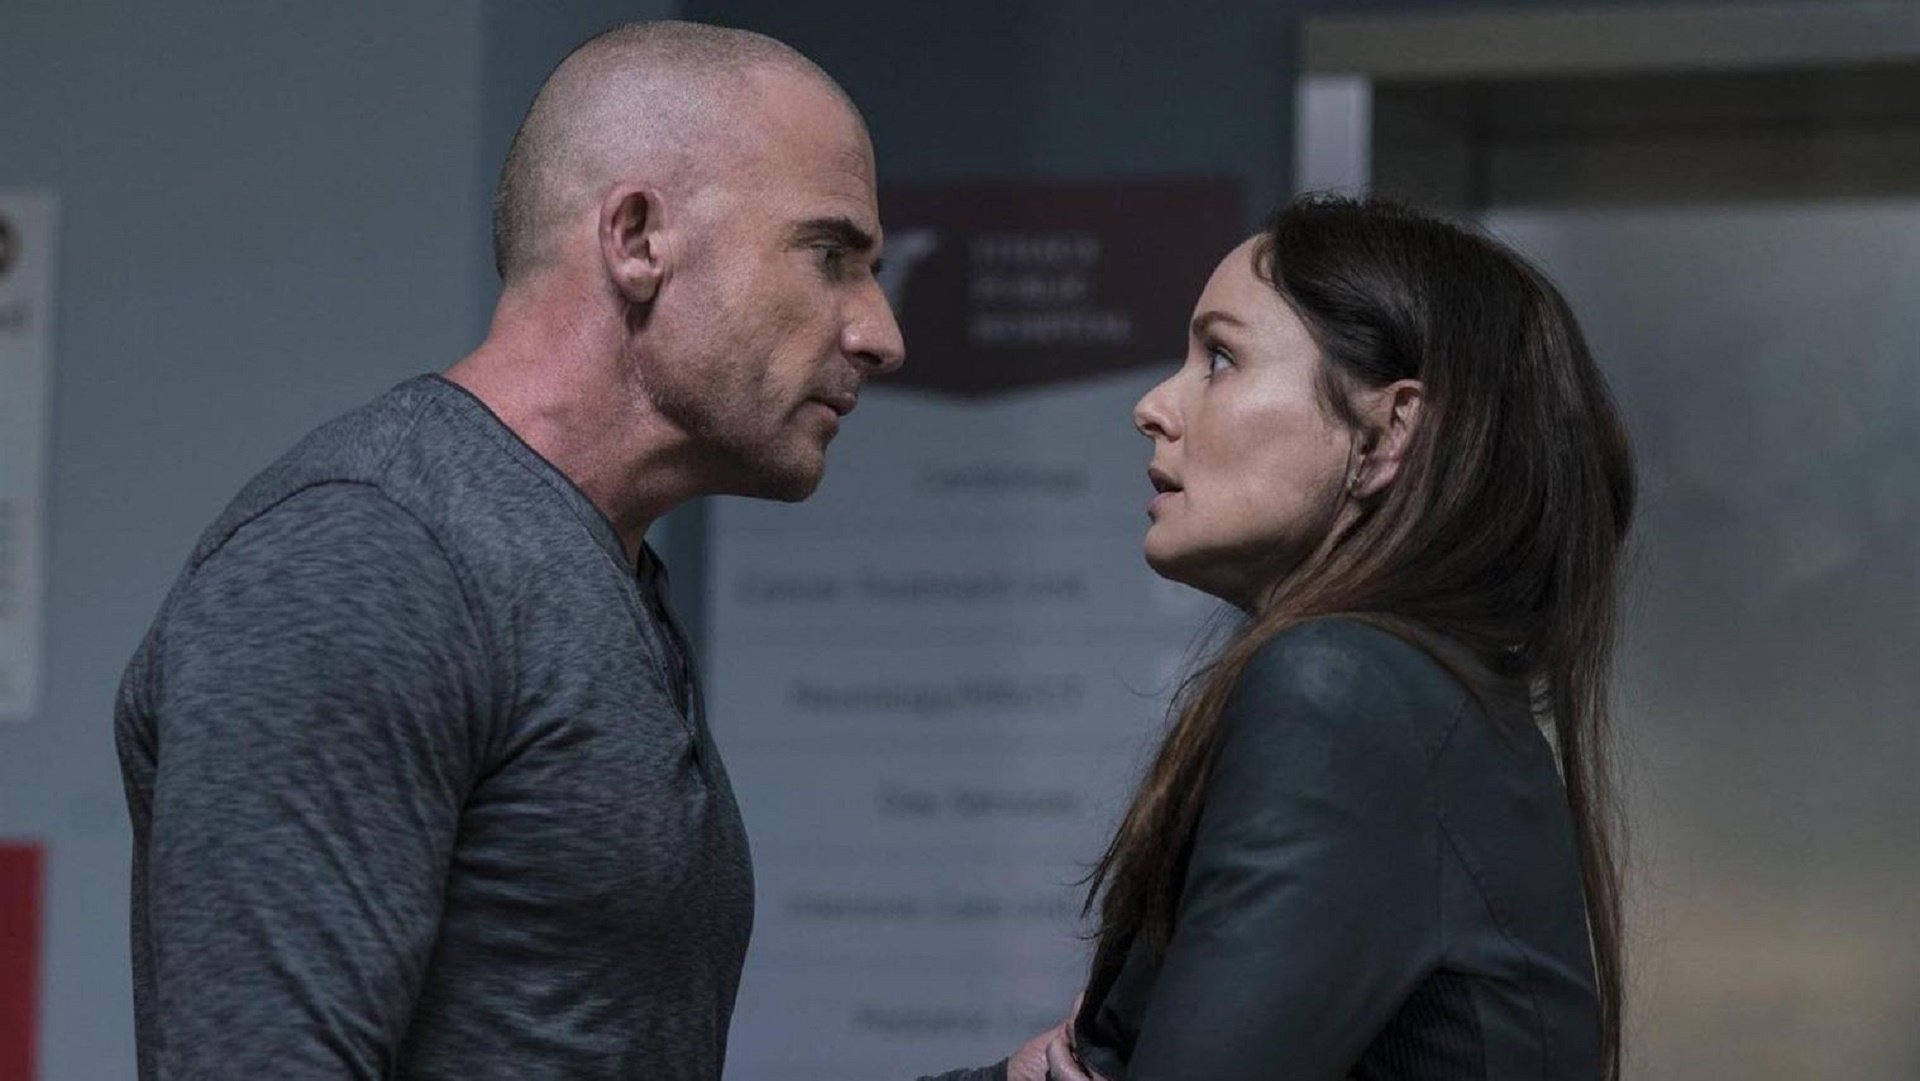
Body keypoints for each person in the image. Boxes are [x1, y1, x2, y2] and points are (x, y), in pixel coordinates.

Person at [114, 21, 902, 1080]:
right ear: (637, 238)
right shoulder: (374, 554)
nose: (880, 333)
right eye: (831, 257)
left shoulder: (592, 568)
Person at [931, 195, 1633, 1081]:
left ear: (1387, 433)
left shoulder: (1347, 686)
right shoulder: (1428, 694)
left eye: (1220, 358)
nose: (1151, 406)